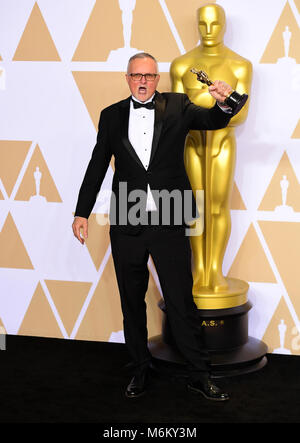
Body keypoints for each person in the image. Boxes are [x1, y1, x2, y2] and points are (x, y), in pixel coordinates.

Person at [72, 52, 237, 402]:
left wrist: (224, 105)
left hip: (169, 218)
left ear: (157, 78)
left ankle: (199, 375)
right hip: (128, 222)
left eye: (148, 75)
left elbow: (212, 121)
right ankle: (140, 369)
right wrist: (81, 212)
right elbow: (97, 164)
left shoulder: (178, 105)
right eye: (136, 76)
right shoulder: (111, 116)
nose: (142, 81)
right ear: (127, 78)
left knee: (180, 300)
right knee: (131, 301)